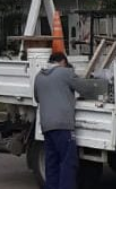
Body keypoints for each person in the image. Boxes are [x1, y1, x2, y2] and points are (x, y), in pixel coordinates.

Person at [33, 52, 84, 189]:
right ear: (62, 62)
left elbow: (37, 98)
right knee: (68, 162)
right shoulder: (65, 72)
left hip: (47, 126)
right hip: (63, 125)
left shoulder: (39, 77)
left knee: (52, 163)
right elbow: (84, 87)